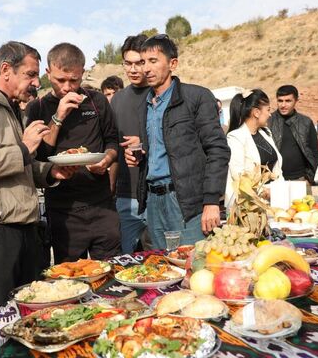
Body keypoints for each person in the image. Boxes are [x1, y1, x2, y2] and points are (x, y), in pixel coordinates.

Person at [0, 41, 76, 358]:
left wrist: (50, 173)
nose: (37, 82)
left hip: (25, 232)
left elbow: (17, 167)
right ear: (6, 70)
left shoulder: (11, 109)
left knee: (29, 322)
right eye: (31, 74)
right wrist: (23, 148)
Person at [125, 34, 230, 249]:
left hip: (185, 202)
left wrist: (211, 201)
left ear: (173, 63)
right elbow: (165, 149)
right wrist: (140, 156)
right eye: (143, 62)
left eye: (153, 61)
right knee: (161, 270)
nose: (146, 69)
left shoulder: (196, 97)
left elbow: (217, 149)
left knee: (192, 268)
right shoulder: (145, 105)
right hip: (153, 202)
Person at [25, 42, 121, 263]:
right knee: (70, 279)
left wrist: (107, 159)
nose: (67, 87)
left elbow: (112, 141)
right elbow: (39, 155)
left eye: (74, 80)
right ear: (48, 73)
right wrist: (58, 116)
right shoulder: (38, 108)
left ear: (83, 74)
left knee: (109, 273)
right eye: (60, 80)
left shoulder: (97, 102)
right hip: (63, 211)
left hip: (101, 206)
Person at [110, 34, 149, 253]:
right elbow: (114, 147)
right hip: (126, 196)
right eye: (128, 63)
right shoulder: (117, 100)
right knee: (126, 264)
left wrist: (144, 143)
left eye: (139, 63)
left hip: (156, 196)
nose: (133, 69)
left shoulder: (161, 95)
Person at [226, 89, 282, 204]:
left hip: (274, 199)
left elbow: (276, 170)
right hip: (249, 204)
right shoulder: (235, 137)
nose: (270, 114)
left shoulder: (266, 133)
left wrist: (280, 191)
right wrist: (263, 191)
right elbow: (238, 175)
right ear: (256, 112)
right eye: (268, 110)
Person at [268, 85, 318, 194]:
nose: (283, 105)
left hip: (301, 180)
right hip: (275, 181)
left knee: (304, 211)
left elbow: (314, 152)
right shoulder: (268, 121)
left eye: (288, 101)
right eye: (280, 101)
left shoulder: (305, 122)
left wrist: (309, 179)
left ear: (296, 101)